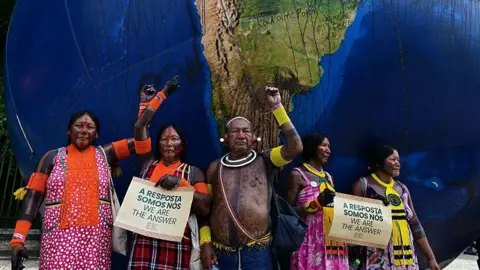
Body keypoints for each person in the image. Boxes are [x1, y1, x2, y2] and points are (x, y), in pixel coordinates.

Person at [10, 110, 136, 270]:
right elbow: (33, 198)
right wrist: (18, 240)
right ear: (69, 131)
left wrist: (149, 104)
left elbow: (141, 143)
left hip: (95, 243)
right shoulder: (51, 158)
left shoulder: (106, 154)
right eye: (79, 125)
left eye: (90, 127)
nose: (84, 130)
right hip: (57, 242)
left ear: (96, 134)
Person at [200, 86, 303, 270]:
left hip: (257, 254)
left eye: (246, 131)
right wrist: (205, 243)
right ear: (226, 137)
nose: (241, 135)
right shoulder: (214, 168)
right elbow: (204, 210)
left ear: (254, 137)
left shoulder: (266, 159)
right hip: (221, 254)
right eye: (235, 131)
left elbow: (295, 147)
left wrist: (277, 107)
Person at [128, 78, 211, 270]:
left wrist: (180, 184)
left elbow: (205, 206)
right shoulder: (147, 164)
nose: (168, 143)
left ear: (182, 145)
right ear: (157, 144)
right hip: (143, 243)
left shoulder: (192, 173)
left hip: (175, 245)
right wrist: (161, 94)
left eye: (174, 139)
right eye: (164, 139)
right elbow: (140, 127)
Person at [351, 144, 440, 270]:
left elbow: (415, 225)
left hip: (405, 259)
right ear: (379, 162)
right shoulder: (364, 186)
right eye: (393, 159)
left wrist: (431, 258)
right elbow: (352, 225)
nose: (397, 163)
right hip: (377, 261)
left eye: (398, 160)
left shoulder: (403, 189)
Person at [284, 132, 349, 269]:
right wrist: (315, 204)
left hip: (332, 242)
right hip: (310, 242)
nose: (328, 150)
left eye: (329, 146)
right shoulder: (297, 175)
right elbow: (287, 213)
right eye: (323, 145)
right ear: (311, 147)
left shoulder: (329, 177)